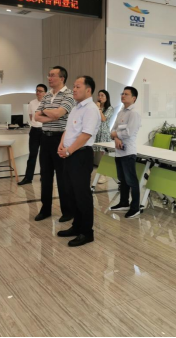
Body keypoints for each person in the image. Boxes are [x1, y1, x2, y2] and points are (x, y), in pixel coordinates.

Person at [57, 76, 101, 247]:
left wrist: (68, 150)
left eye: (77, 86)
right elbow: (68, 131)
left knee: (82, 195)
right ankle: (76, 226)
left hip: (81, 155)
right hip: (70, 154)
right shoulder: (76, 108)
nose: (74, 89)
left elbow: (86, 135)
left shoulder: (91, 109)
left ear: (88, 90)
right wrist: (61, 145)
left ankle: (87, 232)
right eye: (74, 86)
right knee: (71, 192)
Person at [34, 67, 75, 223]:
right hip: (45, 138)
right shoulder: (47, 95)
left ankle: (67, 210)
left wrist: (47, 112)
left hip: (60, 139)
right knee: (45, 175)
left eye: (52, 76)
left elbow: (59, 113)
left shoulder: (69, 94)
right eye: (49, 75)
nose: (49, 78)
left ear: (62, 78)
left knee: (62, 176)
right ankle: (45, 209)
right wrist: (53, 114)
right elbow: (37, 117)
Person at [109, 87, 142, 219]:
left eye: (126, 94)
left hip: (128, 152)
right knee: (122, 180)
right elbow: (112, 130)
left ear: (134, 98)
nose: (123, 95)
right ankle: (124, 203)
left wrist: (115, 135)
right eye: (122, 93)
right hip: (119, 151)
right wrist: (116, 138)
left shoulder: (134, 113)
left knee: (131, 181)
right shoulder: (121, 112)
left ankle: (135, 208)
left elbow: (129, 132)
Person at [18, 84, 47, 186]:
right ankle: (28, 177)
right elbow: (31, 117)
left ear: (45, 93)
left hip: (44, 131)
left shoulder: (48, 103)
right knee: (32, 155)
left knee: (44, 156)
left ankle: (44, 177)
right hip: (34, 130)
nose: (38, 93)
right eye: (37, 91)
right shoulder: (31, 103)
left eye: (40, 91)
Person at [94, 90, 114, 185]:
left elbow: (103, 119)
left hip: (104, 133)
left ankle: (104, 175)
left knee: (103, 155)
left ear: (107, 98)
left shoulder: (110, 108)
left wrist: (98, 108)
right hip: (95, 133)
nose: (100, 97)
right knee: (91, 152)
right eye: (99, 95)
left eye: (102, 95)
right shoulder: (95, 107)